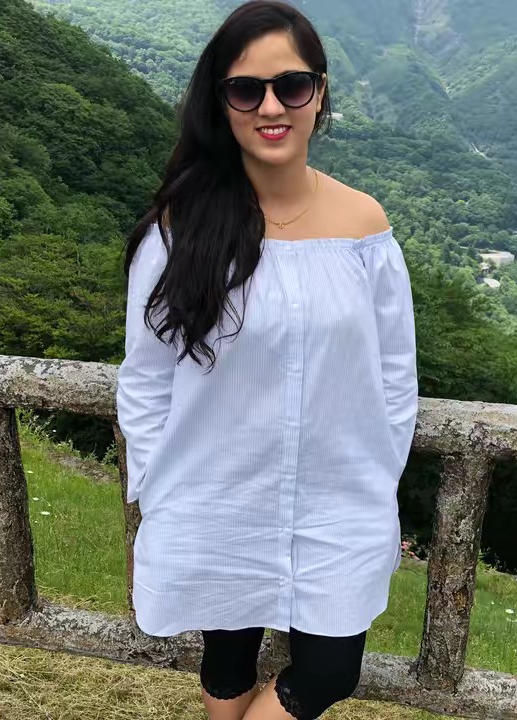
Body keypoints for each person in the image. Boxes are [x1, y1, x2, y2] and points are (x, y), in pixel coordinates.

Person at [115, 1, 418, 718]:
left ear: (320, 92)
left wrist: (379, 477)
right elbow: (146, 376)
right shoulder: (180, 232)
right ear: (221, 103)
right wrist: (157, 486)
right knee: (227, 658)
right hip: (215, 496)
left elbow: (395, 371)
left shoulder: (364, 226)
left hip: (339, 503)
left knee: (329, 671)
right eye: (247, 90)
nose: (272, 107)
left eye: (292, 85)